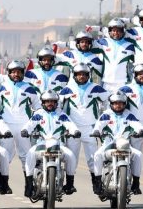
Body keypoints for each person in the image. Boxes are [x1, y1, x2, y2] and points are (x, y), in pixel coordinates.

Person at [58, 62, 110, 194]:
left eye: (84, 74)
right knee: (71, 158)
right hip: (72, 129)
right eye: (78, 74)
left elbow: (110, 100)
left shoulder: (95, 88)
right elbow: (56, 106)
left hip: (90, 129)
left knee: (93, 158)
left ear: (88, 75)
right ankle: (69, 184)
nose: (81, 77)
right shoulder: (66, 89)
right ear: (74, 75)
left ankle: (96, 184)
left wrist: (105, 117)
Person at [21, 90, 80, 197]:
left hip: (59, 146)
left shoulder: (61, 114)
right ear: (42, 103)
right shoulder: (38, 114)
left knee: (71, 156)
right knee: (29, 154)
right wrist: (25, 130)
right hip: (41, 145)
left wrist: (75, 131)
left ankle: (70, 184)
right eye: (47, 101)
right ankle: (29, 185)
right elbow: (30, 124)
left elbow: (70, 124)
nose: (50, 104)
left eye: (52, 101)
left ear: (56, 103)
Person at [90, 91, 143, 195]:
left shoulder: (129, 115)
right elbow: (99, 124)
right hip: (108, 145)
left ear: (124, 104)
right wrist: (96, 131)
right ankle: (97, 183)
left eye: (120, 103)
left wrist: (141, 131)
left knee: (138, 154)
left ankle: (136, 184)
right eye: (115, 103)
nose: (118, 105)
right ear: (111, 104)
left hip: (124, 145)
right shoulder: (106, 115)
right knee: (97, 155)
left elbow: (137, 124)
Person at [0, 60, 40, 169]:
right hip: (7, 125)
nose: (16, 74)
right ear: (9, 73)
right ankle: (3, 183)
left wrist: (38, 119)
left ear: (23, 73)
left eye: (19, 72)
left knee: (26, 156)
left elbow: (37, 106)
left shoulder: (29, 88)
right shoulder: (2, 88)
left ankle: (29, 185)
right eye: (13, 72)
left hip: (24, 126)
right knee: (5, 155)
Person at [93, 18, 135, 93]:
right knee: (106, 104)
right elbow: (87, 45)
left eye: (118, 30)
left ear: (123, 32)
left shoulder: (130, 45)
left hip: (123, 83)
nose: (116, 33)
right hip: (106, 83)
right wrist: (94, 28)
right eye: (114, 30)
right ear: (109, 32)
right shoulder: (104, 42)